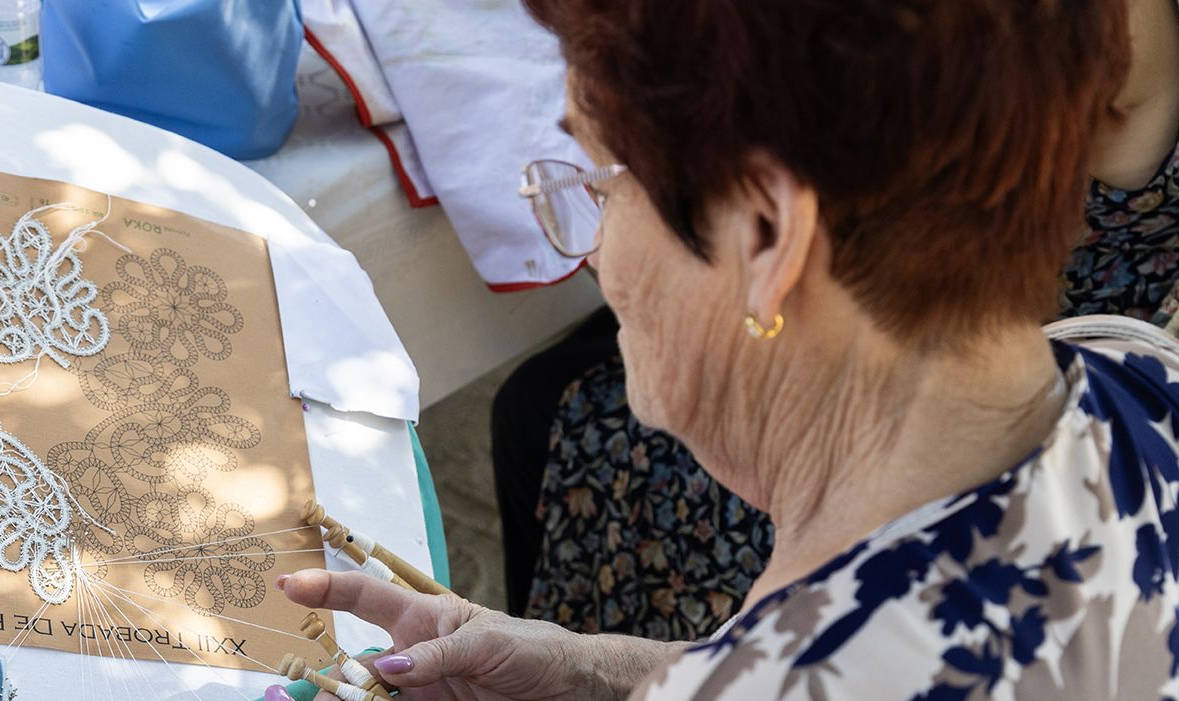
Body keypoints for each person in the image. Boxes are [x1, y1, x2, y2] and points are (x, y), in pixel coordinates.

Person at [178, 2, 1179, 701]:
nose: (598, 255)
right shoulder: (1132, 382)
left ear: (764, 232)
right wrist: (593, 682)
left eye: (600, 182)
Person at [496, 0, 1179, 643]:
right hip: (940, 278)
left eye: (606, 191)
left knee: (561, 408)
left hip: (974, 281)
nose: (595, 247)